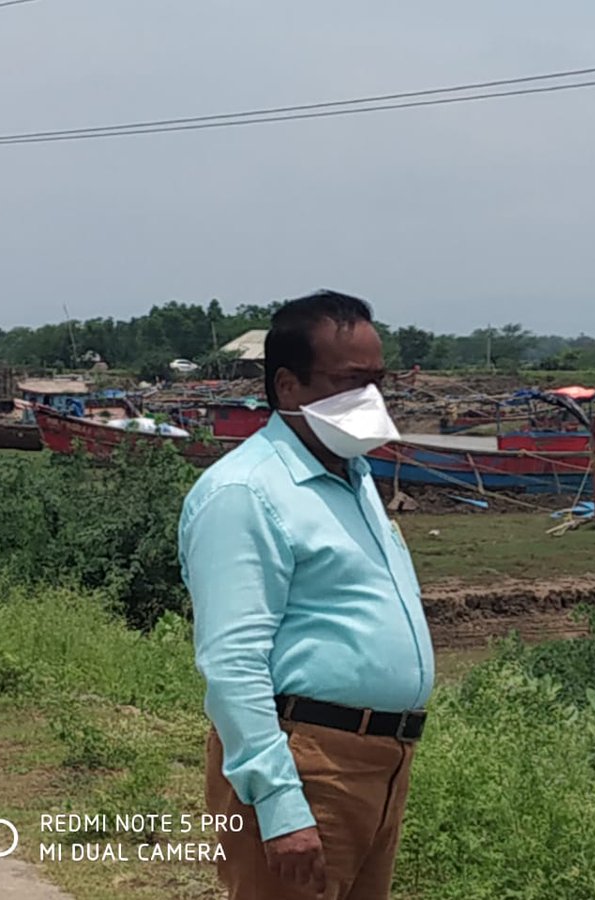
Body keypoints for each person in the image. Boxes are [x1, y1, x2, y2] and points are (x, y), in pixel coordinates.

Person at [179, 290, 434, 900]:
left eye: (378, 381)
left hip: (381, 762)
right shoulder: (246, 493)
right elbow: (233, 663)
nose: (370, 400)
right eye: (351, 382)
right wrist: (280, 805)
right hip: (309, 761)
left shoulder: (352, 477)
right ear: (288, 387)